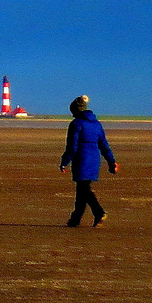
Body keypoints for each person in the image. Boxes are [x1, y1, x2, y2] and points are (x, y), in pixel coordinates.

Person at [60, 95, 118, 227]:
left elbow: (72, 146)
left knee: (84, 189)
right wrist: (111, 161)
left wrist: (64, 161)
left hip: (82, 160)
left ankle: (99, 212)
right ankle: (75, 220)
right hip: (94, 160)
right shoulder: (97, 124)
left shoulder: (76, 124)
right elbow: (104, 145)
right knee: (82, 190)